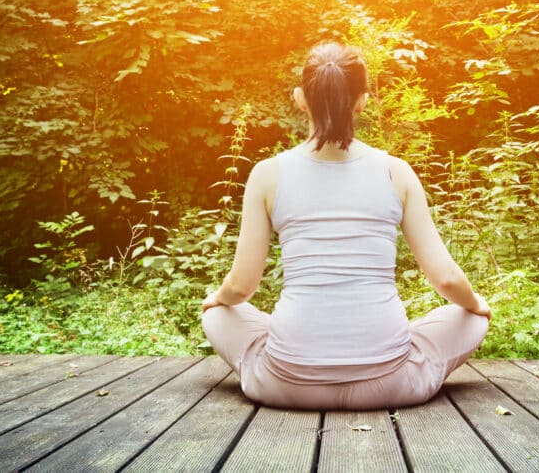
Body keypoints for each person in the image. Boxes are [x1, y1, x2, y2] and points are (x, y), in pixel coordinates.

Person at [201, 42, 490, 410]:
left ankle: (282, 357)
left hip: (287, 383)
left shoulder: (267, 175)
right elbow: (447, 279)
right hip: (390, 381)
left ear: (300, 98)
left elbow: (241, 287)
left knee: (218, 316)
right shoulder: (395, 172)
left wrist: (217, 301)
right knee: (467, 317)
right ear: (363, 100)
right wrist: (476, 305)